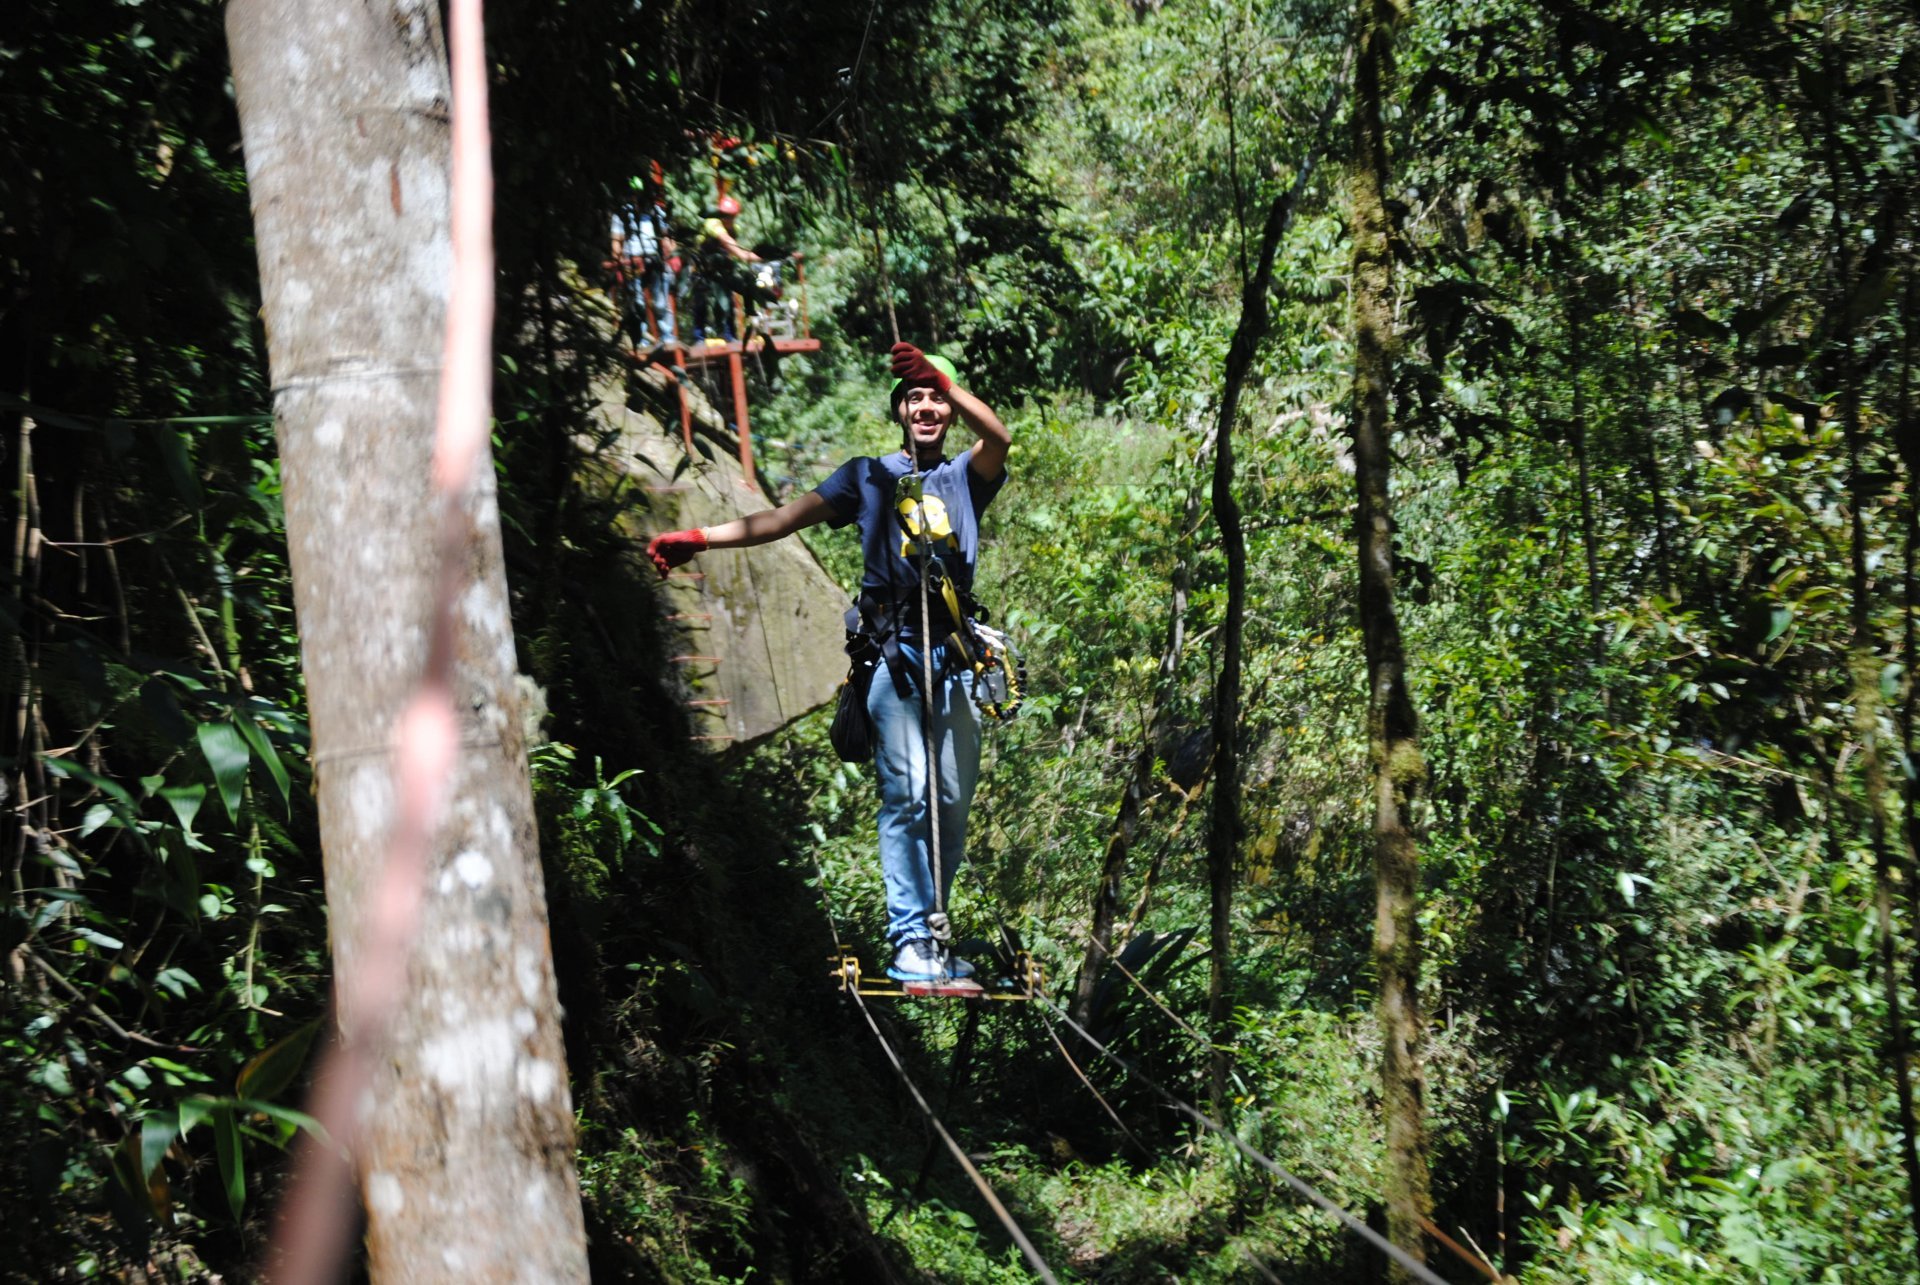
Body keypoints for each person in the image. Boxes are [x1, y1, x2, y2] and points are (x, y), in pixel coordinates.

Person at [646, 344, 1012, 982]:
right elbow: (782, 521)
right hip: (893, 662)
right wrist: (701, 539)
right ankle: (909, 941)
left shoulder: (962, 478)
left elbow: (999, 438)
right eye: (915, 399)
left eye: (937, 400)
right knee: (911, 796)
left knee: (950, 802)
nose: (926, 408)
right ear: (899, 410)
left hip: (954, 663)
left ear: (951, 411)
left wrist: (941, 379)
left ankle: (932, 934)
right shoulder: (867, 476)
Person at [609, 178, 677, 349]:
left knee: (661, 301)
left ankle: (666, 336)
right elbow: (616, 240)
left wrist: (671, 258)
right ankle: (641, 339)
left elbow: (667, 237)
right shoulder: (623, 214)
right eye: (635, 195)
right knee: (637, 301)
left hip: (654, 260)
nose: (637, 198)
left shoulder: (656, 213)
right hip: (633, 261)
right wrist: (618, 259)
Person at [690, 194, 761, 345]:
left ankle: (729, 336)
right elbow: (729, 243)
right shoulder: (712, 223)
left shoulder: (735, 229)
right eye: (724, 215)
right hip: (703, 267)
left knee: (726, 300)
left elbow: (732, 251)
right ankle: (699, 338)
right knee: (700, 301)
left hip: (721, 269)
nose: (726, 219)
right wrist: (748, 255)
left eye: (730, 216)